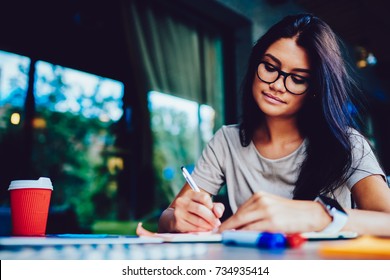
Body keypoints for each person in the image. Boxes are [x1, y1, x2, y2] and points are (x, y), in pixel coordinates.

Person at [158, 14, 390, 235]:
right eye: (270, 68)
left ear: (315, 91)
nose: (278, 85)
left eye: (297, 79)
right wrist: (178, 218)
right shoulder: (226, 141)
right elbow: (168, 216)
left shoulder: (347, 143)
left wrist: (318, 216)